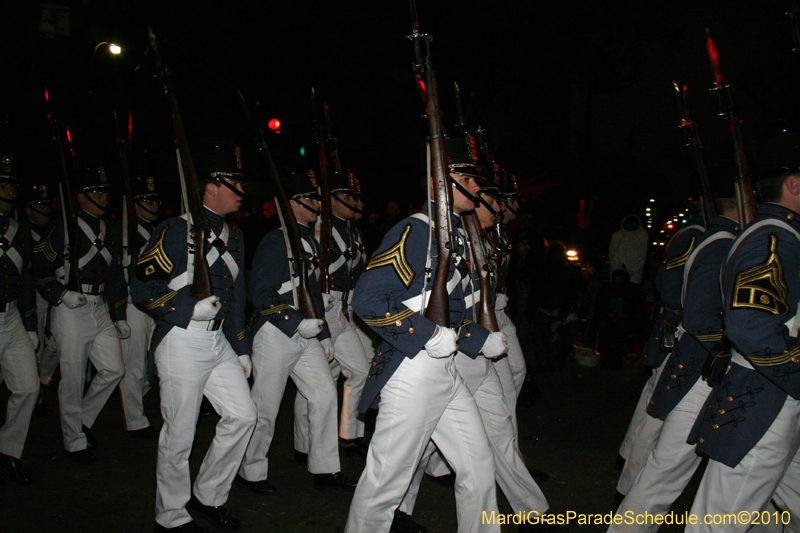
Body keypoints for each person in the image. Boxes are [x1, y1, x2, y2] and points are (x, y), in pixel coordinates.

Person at [394, 155, 566, 533]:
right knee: (420, 442)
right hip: (453, 351)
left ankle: (529, 510)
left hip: (477, 349)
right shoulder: (446, 234)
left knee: (499, 432)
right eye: (496, 199)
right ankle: (396, 510)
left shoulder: (480, 239)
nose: (503, 207)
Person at [344, 134, 500, 533]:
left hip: (445, 372)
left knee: (479, 467)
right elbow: (369, 299)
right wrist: (428, 335)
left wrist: (479, 340)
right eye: (468, 177)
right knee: (385, 481)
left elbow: (454, 311)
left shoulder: (456, 234)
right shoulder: (416, 231)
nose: (478, 187)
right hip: (411, 370)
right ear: (440, 180)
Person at [131, 145, 256, 532]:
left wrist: (241, 348)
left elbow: (237, 299)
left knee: (243, 416)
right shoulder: (173, 229)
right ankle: (169, 516)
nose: (240, 190)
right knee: (180, 431)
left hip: (218, 342)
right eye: (233, 182)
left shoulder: (234, 235)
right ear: (210, 187)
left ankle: (208, 494)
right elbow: (142, 286)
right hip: (181, 340)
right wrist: (187, 308)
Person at [686, 132, 800, 532]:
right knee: (717, 523)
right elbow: (751, 326)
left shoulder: (783, 234)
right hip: (765, 400)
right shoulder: (775, 238)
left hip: (774, 397)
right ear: (793, 184)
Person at [609, 195, 739, 532]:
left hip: (692, 350)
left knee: (655, 427)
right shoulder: (709, 240)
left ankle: (629, 487)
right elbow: (672, 290)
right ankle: (627, 487)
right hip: (694, 353)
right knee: (655, 426)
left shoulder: (713, 237)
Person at [238, 170, 355, 493]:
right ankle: (251, 469)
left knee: (324, 396)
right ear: (291, 204)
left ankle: (324, 468)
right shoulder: (276, 241)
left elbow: (312, 293)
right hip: (276, 332)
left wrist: (323, 335)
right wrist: (294, 322)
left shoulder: (308, 239)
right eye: (312, 199)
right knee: (266, 405)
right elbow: (260, 294)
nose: (318, 203)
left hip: (307, 333)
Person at [32, 164, 128, 464]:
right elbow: (39, 268)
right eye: (97, 192)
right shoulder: (62, 227)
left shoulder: (109, 230)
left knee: (114, 369)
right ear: (82, 197)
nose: (103, 197)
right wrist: (59, 293)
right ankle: (73, 440)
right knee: (72, 377)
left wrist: (119, 314)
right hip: (70, 307)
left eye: (105, 192)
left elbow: (113, 276)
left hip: (98, 305)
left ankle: (81, 420)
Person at [613, 204, 705, 501]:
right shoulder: (696, 236)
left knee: (654, 403)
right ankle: (629, 476)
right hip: (684, 337)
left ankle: (628, 463)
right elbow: (672, 288)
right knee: (656, 407)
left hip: (684, 334)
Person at [295, 169, 370, 458]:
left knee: (358, 371)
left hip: (344, 310)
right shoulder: (320, 229)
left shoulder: (352, 230)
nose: (355, 202)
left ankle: (348, 433)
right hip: (322, 309)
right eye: (349, 196)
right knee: (316, 381)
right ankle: (304, 444)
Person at [0, 153, 39, 484]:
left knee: (28, 387)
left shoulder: (19, 231)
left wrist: (30, 326)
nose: (9, 190)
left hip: (12, 317)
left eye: (12, 184)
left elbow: (26, 280)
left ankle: (8, 450)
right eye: (3, 184)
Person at [119, 175, 161, 440]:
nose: (153, 204)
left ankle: (131, 397)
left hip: (156, 302)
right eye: (147, 200)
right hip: (133, 304)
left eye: (155, 199)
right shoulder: (122, 232)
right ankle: (135, 420)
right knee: (133, 364)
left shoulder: (159, 230)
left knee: (153, 362)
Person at [22, 183, 58, 411]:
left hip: (54, 291)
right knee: (34, 345)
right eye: (39, 206)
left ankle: (43, 380)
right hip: (33, 294)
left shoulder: (55, 231)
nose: (44, 210)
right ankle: (37, 394)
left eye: (46, 205)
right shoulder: (22, 232)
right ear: (29, 210)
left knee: (54, 343)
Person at [608, 214, 648, 285]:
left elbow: (641, 254)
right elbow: (613, 253)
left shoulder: (642, 235)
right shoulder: (618, 235)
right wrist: (620, 266)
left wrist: (632, 268)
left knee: (632, 288)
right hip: (618, 269)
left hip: (635, 269)